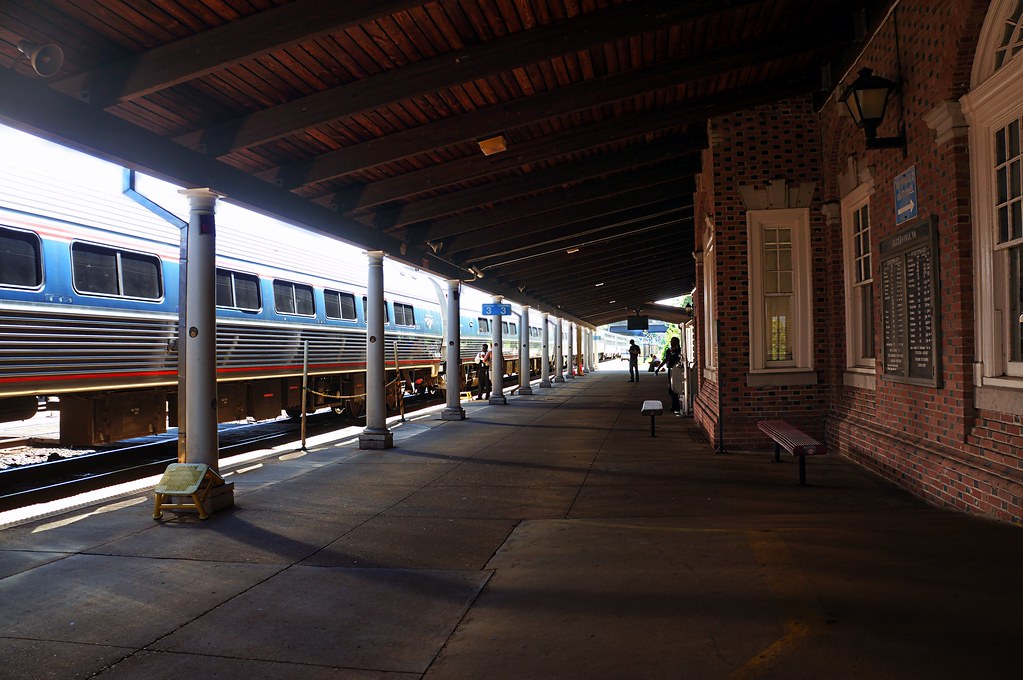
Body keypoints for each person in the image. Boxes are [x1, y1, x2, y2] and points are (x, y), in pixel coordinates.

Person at [655, 336, 685, 415]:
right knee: (671, 389)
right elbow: (665, 360)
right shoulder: (669, 350)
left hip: (678, 371)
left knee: (676, 388)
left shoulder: (680, 350)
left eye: (673, 341)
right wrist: (658, 368)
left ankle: (676, 406)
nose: (671, 343)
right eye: (671, 341)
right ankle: (674, 405)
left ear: (677, 343)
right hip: (670, 370)